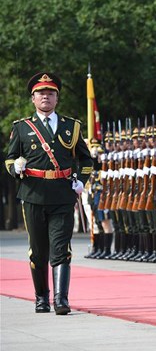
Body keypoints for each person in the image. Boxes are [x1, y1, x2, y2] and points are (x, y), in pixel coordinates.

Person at [5, 72, 93, 315]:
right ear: (33, 98)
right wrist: (15, 168)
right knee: (38, 250)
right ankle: (41, 298)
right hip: (33, 194)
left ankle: (61, 299)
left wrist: (81, 180)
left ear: (57, 98)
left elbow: (86, 158)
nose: (46, 96)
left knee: (61, 247)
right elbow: (9, 159)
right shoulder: (22, 128)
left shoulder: (71, 127)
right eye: (41, 93)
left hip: (63, 195)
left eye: (51, 93)